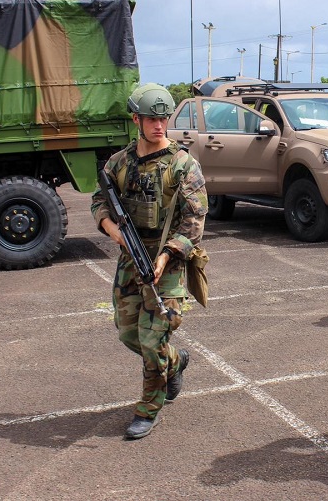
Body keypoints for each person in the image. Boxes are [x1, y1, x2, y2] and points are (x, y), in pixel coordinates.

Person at [91, 83, 208, 439]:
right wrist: (113, 230)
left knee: (153, 340)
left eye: (164, 118)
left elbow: (196, 218)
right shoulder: (119, 163)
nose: (159, 125)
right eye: (151, 119)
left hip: (167, 262)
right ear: (136, 120)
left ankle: (148, 409)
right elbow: (99, 202)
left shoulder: (183, 164)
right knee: (130, 334)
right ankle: (177, 361)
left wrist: (168, 254)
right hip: (130, 258)